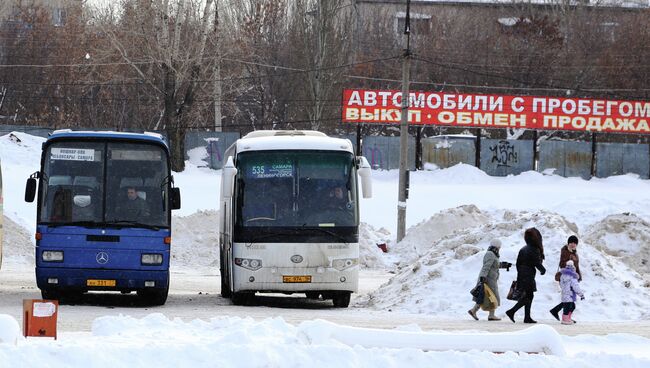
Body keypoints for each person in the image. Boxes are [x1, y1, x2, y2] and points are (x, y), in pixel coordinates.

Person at [505, 227, 546, 324]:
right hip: (528, 274)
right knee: (528, 296)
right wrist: (543, 270)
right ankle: (512, 311)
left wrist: (520, 274)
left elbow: (518, 263)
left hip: (522, 273)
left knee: (528, 295)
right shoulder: (534, 249)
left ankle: (527, 317)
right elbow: (536, 262)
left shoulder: (523, 249)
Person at [468, 238, 512, 321]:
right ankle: (489, 315)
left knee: (486, 296)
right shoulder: (490, 254)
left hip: (491, 278)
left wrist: (504, 265)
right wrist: (483, 277)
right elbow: (486, 266)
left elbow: (494, 265)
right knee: (492, 296)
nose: (499, 249)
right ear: (496, 246)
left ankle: (474, 311)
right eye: (499, 247)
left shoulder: (493, 254)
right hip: (488, 279)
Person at [550, 235, 582, 321]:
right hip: (565, 278)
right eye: (571, 242)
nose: (573, 244)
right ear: (568, 243)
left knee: (569, 298)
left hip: (572, 278)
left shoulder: (575, 254)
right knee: (569, 297)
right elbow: (562, 264)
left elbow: (576, 266)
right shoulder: (565, 251)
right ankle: (565, 317)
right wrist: (569, 264)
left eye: (575, 243)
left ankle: (557, 311)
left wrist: (578, 276)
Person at [557, 260, 585, 325]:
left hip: (565, 294)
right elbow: (576, 287)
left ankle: (567, 318)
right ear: (573, 267)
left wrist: (565, 289)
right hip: (570, 294)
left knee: (570, 306)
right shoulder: (572, 276)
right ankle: (565, 320)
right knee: (569, 307)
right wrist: (581, 295)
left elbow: (561, 284)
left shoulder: (563, 275)